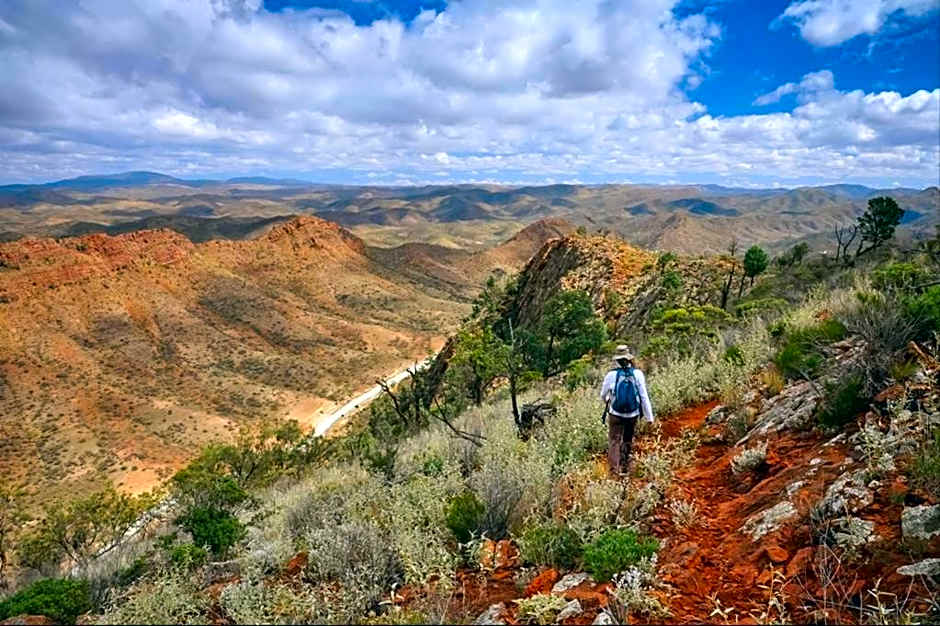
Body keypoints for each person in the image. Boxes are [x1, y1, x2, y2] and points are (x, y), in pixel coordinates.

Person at [600, 345, 654, 476]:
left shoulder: (611, 375)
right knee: (627, 439)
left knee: (614, 441)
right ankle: (625, 467)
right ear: (629, 358)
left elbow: (603, 395)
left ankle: (614, 472)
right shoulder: (637, 374)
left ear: (617, 360)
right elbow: (643, 396)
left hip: (615, 414)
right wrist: (649, 417)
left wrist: (609, 400)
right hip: (632, 414)